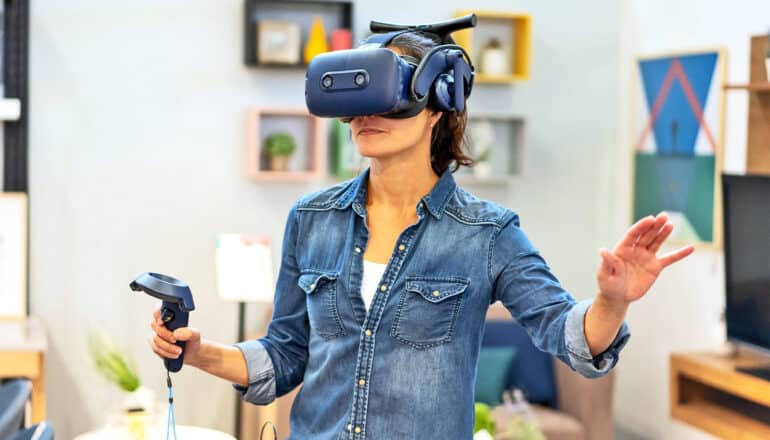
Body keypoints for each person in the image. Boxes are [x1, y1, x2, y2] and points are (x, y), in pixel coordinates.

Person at [148, 32, 694, 439]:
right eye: (357, 99)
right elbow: (286, 354)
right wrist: (200, 353)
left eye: (388, 96)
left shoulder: (488, 233)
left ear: (437, 105)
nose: (367, 115)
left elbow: (569, 337)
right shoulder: (311, 218)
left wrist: (611, 301)